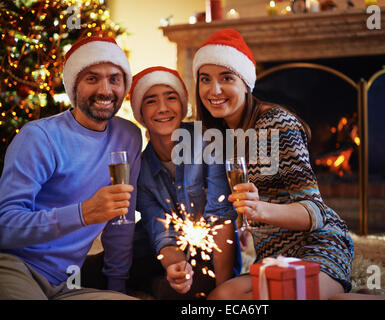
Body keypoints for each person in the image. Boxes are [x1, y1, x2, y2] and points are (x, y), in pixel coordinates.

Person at [193, 29, 385, 300]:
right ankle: (361, 294)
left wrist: (259, 210)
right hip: (274, 256)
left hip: (316, 243)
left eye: (226, 78)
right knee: (221, 299)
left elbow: (314, 211)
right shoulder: (216, 136)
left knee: (299, 297)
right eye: (205, 79)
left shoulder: (276, 125)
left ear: (245, 83)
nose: (214, 89)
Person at [0, 36, 142, 300]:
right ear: (73, 85)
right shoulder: (39, 137)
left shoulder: (129, 136)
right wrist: (83, 213)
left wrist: (116, 287)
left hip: (67, 284)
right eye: (92, 78)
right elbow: (4, 226)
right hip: (15, 268)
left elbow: (120, 224)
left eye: (114, 79)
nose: (105, 90)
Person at [127, 66, 241, 299]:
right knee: (98, 270)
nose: (163, 108)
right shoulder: (140, 169)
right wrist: (176, 266)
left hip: (211, 259)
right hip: (157, 253)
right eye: (151, 101)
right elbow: (159, 230)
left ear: (183, 105)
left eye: (171, 98)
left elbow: (221, 218)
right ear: (140, 112)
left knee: (174, 292)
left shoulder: (209, 143)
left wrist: (224, 292)